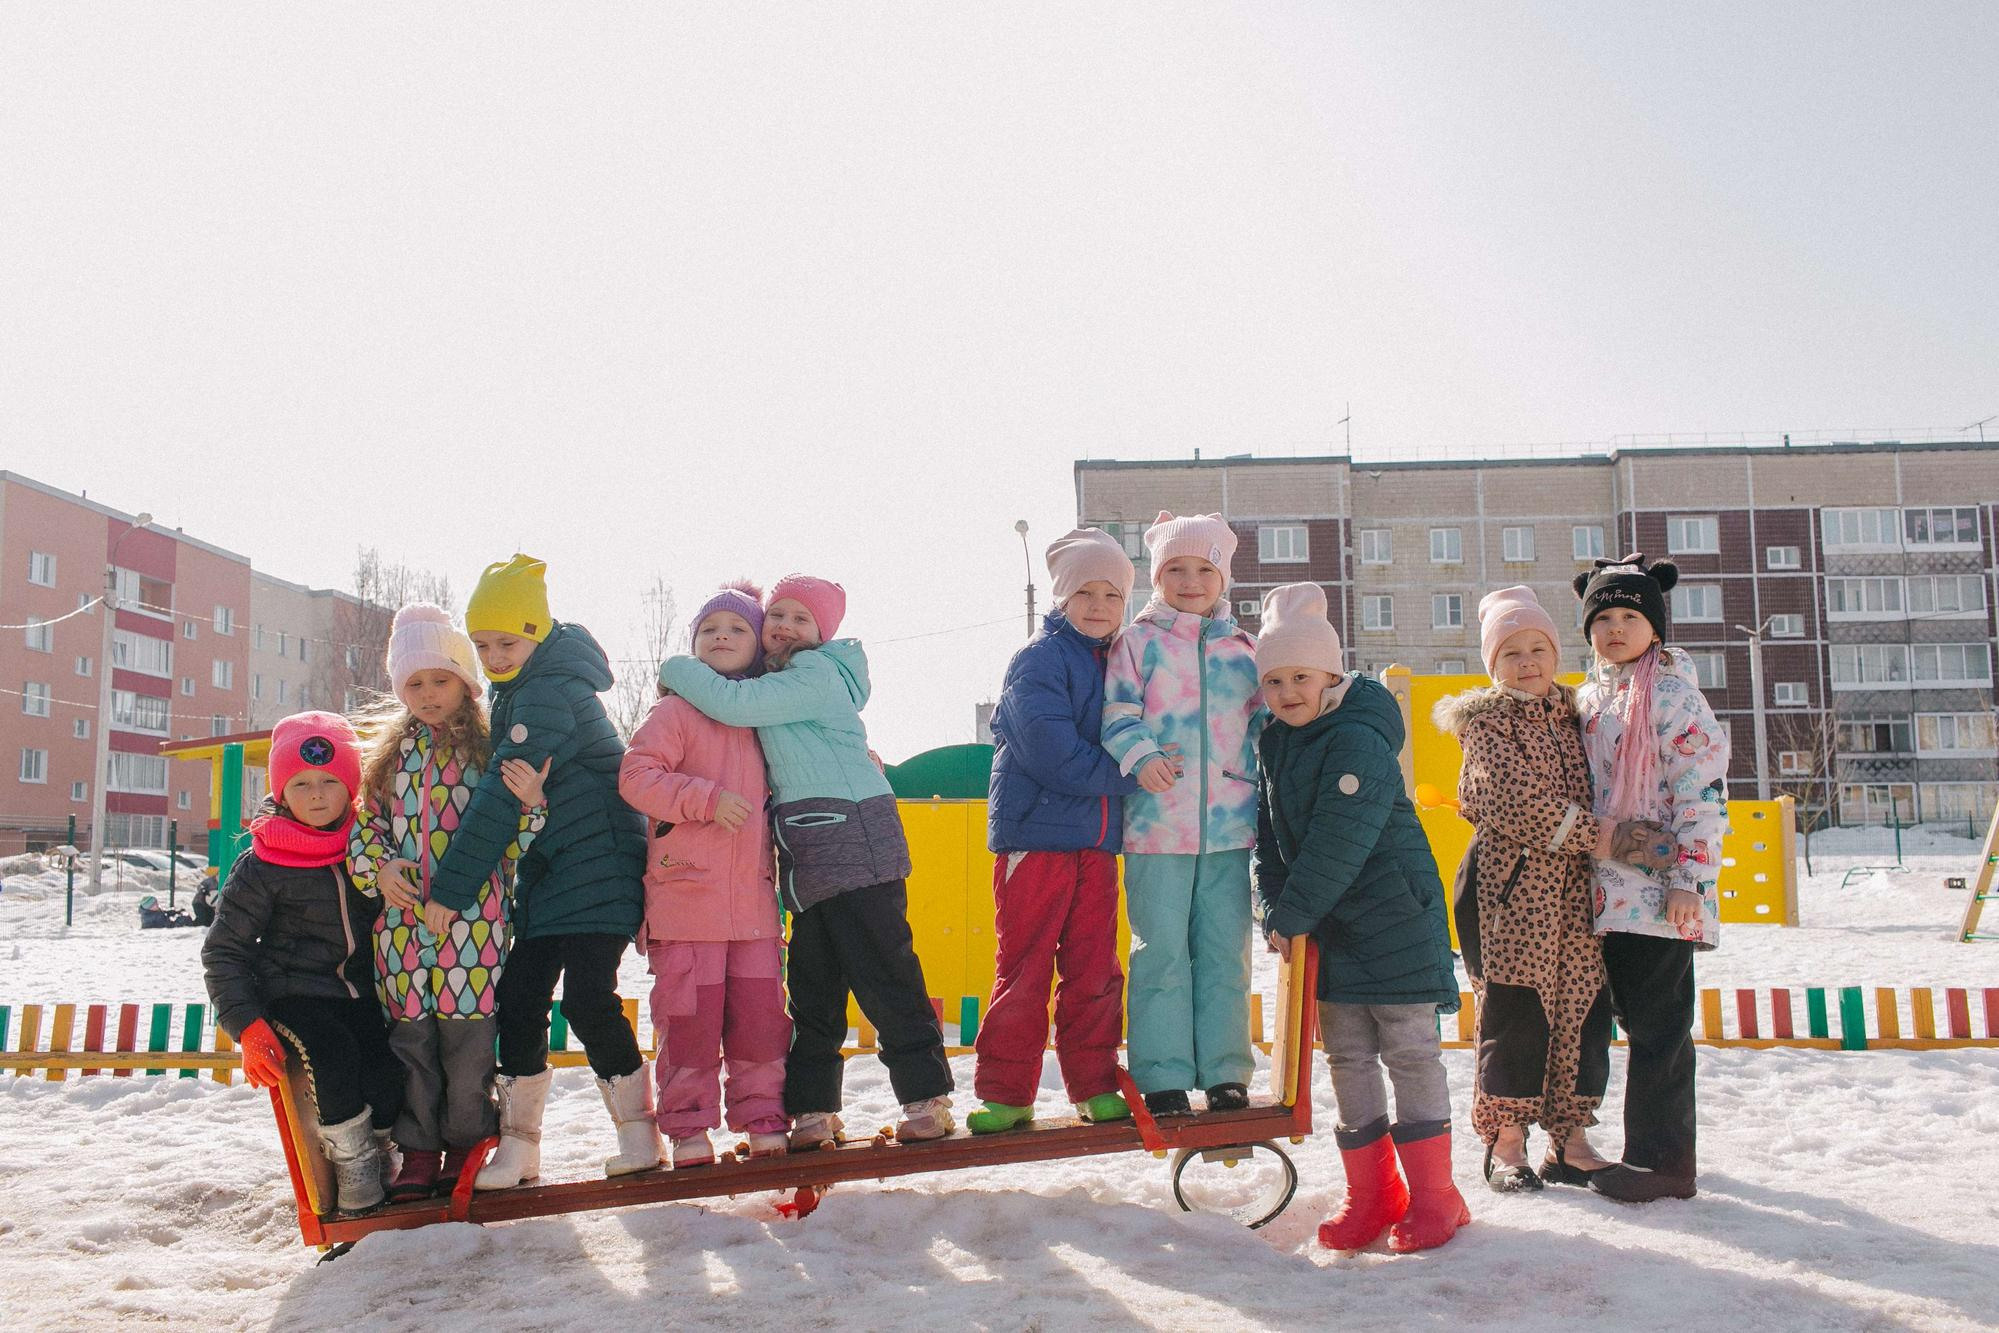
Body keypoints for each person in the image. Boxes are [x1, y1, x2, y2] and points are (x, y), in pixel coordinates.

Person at [660, 574, 955, 1148]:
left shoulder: (814, 675)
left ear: (822, 635)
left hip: (853, 836)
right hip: (807, 848)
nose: (786, 628)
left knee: (883, 971)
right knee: (814, 983)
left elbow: (731, 701)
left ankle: (926, 1098)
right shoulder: (783, 678)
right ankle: (814, 1109)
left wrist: (675, 666)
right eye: (779, 616)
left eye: (802, 620)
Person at [422, 554, 656, 1189]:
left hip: (600, 869)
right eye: (483, 644)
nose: (495, 654)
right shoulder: (522, 687)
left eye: (507, 640)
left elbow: (501, 798)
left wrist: (450, 888)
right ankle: (520, 1147)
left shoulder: (549, 693)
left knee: (586, 998)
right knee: (519, 999)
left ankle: (641, 1135)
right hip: (556, 878)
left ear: (537, 633)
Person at [1434, 586, 1674, 1194]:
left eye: (1539, 648)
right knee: (1517, 1008)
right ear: (1493, 665)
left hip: (1575, 891)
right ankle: (1506, 1140)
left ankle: (1570, 1139)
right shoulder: (1488, 722)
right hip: (1511, 888)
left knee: (1582, 1009)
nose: (1529, 662)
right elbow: (1508, 801)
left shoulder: (1575, 715)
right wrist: (1610, 841)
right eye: (1512, 652)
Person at [1251, 584, 1467, 1253]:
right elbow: (1270, 839)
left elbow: (1338, 841)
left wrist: (1293, 910)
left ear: (1332, 676)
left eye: (1301, 677)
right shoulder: (1278, 744)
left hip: (1392, 921)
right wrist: (1271, 905)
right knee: (1347, 1058)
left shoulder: (1356, 739)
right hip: (1333, 931)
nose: (1288, 692)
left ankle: (1436, 1195)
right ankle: (1374, 1193)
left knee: (1407, 1051)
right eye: (1274, 680)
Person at [349, 603, 548, 1200]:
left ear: (465, 682)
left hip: (474, 930)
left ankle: (466, 1141)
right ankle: (417, 1150)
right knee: (412, 1047)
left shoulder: (490, 750)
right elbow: (364, 831)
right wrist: (381, 871)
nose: (430, 694)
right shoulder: (387, 761)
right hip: (403, 938)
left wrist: (534, 804)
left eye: (441, 680)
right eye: (415, 683)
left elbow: (514, 841)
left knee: (467, 1051)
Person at [969, 529, 1139, 1134]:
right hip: (1036, 839)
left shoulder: (1121, 660)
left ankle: (1093, 1084)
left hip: (1095, 845)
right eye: (1084, 593)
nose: (1098, 606)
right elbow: (1050, 751)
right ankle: (1006, 1092)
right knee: (1025, 967)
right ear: (1061, 600)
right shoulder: (1039, 658)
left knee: (1095, 967)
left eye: (1112, 594)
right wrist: (1136, 776)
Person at [1573, 555, 1728, 1203]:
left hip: (1662, 894)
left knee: (1660, 1028)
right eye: (1601, 616)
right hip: (1606, 895)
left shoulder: (1670, 695)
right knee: (1625, 1023)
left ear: (1654, 627)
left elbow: (1701, 793)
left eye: (1628, 615)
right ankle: (1621, 1144)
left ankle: (1662, 1163)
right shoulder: (1588, 697)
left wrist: (1691, 877)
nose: (1613, 627)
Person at [619, 581, 792, 1167]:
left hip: (754, 910)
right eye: (709, 628)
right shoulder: (676, 711)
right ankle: (689, 1129)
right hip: (687, 903)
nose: (722, 635)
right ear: (693, 646)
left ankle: (764, 1116)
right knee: (688, 1025)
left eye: (738, 627)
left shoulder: (770, 711)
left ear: (759, 643)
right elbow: (636, 775)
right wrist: (704, 798)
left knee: (762, 1022)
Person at [202, 711, 401, 1214]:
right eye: (301, 783)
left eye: (330, 782)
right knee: (332, 1055)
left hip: (362, 992)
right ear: (281, 791)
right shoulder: (264, 860)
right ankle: (354, 1172)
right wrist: (246, 1025)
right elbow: (224, 949)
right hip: (293, 994)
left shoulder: (367, 847)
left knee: (387, 1069)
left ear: (350, 786)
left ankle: (383, 1158)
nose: (316, 795)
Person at [1099, 512, 1262, 1117]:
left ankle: (1226, 1074)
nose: (1190, 580)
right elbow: (1117, 713)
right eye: (1176, 569)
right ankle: (1161, 1075)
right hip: (1155, 827)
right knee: (1161, 951)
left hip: (1228, 826)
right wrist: (1140, 756)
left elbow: (1266, 722)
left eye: (1204, 569)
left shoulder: (1244, 650)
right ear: (1156, 576)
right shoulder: (1136, 643)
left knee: (1225, 951)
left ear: (1222, 579)